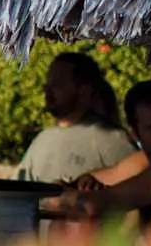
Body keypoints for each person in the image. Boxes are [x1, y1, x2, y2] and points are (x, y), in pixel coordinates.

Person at [73, 76, 151, 229]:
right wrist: (85, 181)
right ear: (134, 133)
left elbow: (97, 202)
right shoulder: (141, 162)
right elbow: (87, 181)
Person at [15, 52, 130, 183]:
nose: (47, 89)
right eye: (48, 82)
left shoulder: (110, 139)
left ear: (84, 91)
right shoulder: (41, 140)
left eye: (58, 83)